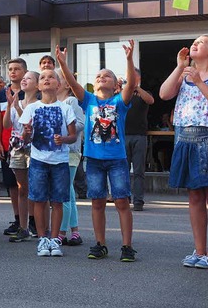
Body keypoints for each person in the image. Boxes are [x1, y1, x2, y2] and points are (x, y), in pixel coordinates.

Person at [56, 41, 139, 262]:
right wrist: (63, 64)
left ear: (115, 85)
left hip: (117, 160)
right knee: (97, 202)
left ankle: (127, 246)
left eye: (107, 76)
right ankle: (100, 243)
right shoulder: (89, 100)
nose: (102, 77)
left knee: (122, 202)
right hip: (93, 160)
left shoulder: (120, 101)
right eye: (99, 76)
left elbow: (131, 84)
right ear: (93, 84)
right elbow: (72, 84)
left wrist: (129, 60)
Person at [159, 35, 208, 269]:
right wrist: (180, 67)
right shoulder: (185, 72)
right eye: (195, 41)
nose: (195, 43)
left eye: (202, 41)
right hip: (185, 137)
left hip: (207, 137)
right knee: (195, 197)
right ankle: (201, 252)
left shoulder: (198, 77)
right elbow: (164, 94)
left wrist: (200, 82)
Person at [20, 69, 77, 257]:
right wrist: (27, 132)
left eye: (51, 77)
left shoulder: (66, 108)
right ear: (38, 85)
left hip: (60, 161)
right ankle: (42, 238)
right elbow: (25, 139)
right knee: (39, 199)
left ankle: (55, 239)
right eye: (43, 78)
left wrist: (64, 139)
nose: (47, 80)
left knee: (58, 201)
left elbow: (73, 136)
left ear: (58, 84)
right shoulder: (32, 108)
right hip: (38, 160)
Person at [3, 71, 40, 243]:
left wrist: (16, 106)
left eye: (29, 78)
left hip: (34, 148)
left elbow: (28, 124)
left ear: (37, 84)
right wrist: (11, 105)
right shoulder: (17, 101)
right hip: (17, 148)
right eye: (23, 78)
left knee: (36, 188)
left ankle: (40, 227)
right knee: (22, 188)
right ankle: (23, 227)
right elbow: (7, 125)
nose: (24, 80)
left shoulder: (39, 104)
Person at [0, 59, 27, 235]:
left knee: (26, 185)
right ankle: (17, 218)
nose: (13, 72)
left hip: (25, 145)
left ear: (24, 71)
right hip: (8, 146)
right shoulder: (2, 94)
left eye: (17, 69)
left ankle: (31, 220)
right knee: (12, 185)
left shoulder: (30, 91)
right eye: (10, 69)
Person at [56, 69, 85, 246]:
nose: (53, 81)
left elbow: (81, 123)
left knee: (64, 193)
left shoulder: (71, 100)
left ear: (67, 84)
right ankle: (74, 231)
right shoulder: (52, 102)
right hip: (58, 153)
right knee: (70, 193)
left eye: (57, 78)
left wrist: (61, 130)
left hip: (70, 151)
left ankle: (60, 232)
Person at [124, 68, 154, 211]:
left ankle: (138, 201)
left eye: (132, 76)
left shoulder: (144, 93)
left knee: (138, 171)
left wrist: (136, 87)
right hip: (123, 136)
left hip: (140, 136)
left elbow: (151, 100)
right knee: (122, 169)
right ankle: (124, 197)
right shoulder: (124, 94)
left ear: (138, 77)